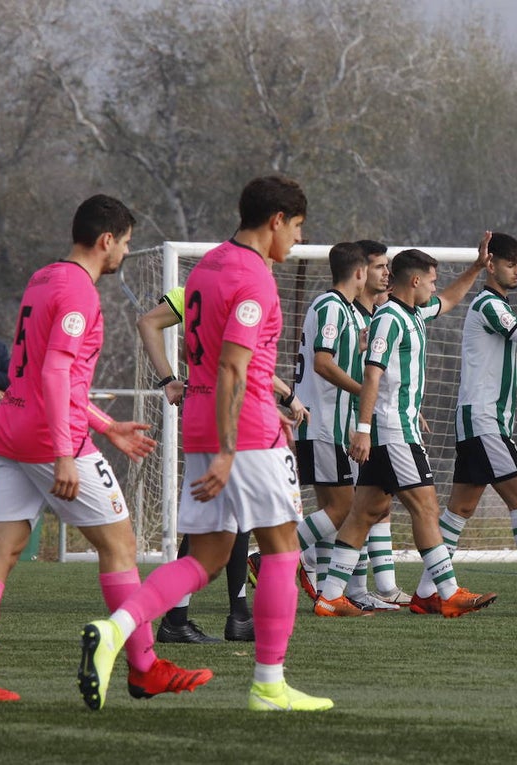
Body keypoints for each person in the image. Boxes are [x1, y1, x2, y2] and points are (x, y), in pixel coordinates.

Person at [78, 176, 332, 712]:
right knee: (284, 549)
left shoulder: (208, 267)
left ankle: (117, 627)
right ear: (276, 221)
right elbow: (235, 368)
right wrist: (232, 446)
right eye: (299, 228)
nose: (299, 241)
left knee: (209, 555)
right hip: (242, 433)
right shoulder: (254, 279)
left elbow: (215, 358)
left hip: (201, 420)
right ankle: (269, 684)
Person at [0, 195, 211, 703]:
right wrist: (65, 451)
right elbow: (57, 374)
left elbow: (46, 375)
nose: (124, 253)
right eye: (125, 243)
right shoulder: (80, 291)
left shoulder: (44, 277)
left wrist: (108, 426)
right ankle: (144, 667)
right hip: (48, 439)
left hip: (12, 428)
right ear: (107, 240)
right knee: (120, 547)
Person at [408, 233, 517, 616]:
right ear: (492, 265)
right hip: (485, 422)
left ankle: (425, 592)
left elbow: (507, 358)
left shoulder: (493, 309)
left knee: (459, 510)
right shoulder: (488, 304)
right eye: (510, 263)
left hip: (477, 421)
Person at [137, 281, 306, 642]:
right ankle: (238, 636)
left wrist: (171, 379)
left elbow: (198, 350)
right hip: (233, 417)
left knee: (222, 531)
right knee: (275, 539)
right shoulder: (241, 286)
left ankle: (219, 617)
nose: (294, 239)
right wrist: (269, 401)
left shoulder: (198, 288)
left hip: (207, 411)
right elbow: (232, 361)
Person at [340, 242, 498, 619]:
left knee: (364, 512)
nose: (434, 286)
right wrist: (363, 429)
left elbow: (447, 300)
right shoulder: (390, 317)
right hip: (393, 430)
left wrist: (476, 267)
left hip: (398, 427)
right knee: (425, 506)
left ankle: (330, 595)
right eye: (430, 279)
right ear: (414, 280)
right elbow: (372, 373)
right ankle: (448, 592)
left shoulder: (414, 312)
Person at [292, 240, 409, 614]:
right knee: (344, 510)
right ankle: (277, 556)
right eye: (375, 268)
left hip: (333, 424)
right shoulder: (330, 306)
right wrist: (365, 392)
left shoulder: (345, 311)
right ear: (359, 273)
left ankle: (341, 589)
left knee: (346, 509)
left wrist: (357, 352)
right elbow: (322, 363)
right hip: (324, 424)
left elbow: (335, 357)